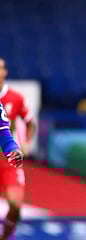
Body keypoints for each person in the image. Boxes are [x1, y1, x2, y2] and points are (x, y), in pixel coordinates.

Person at [0, 58, 33, 240]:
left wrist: (17, 147)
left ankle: (6, 236)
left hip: (7, 161)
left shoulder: (12, 100)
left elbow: (5, 133)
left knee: (16, 203)